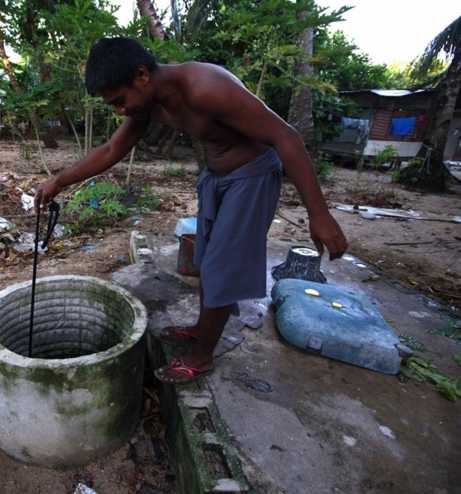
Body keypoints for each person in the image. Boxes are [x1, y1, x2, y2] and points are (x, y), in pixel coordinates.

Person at [35, 37, 348, 385]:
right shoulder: (148, 104)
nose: (119, 111)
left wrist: (318, 214)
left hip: (253, 176)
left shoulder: (204, 87)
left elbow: (286, 136)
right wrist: (59, 182)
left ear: (141, 75)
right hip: (218, 178)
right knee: (206, 259)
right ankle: (202, 328)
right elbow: (111, 149)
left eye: (120, 101)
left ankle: (201, 358)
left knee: (219, 266)